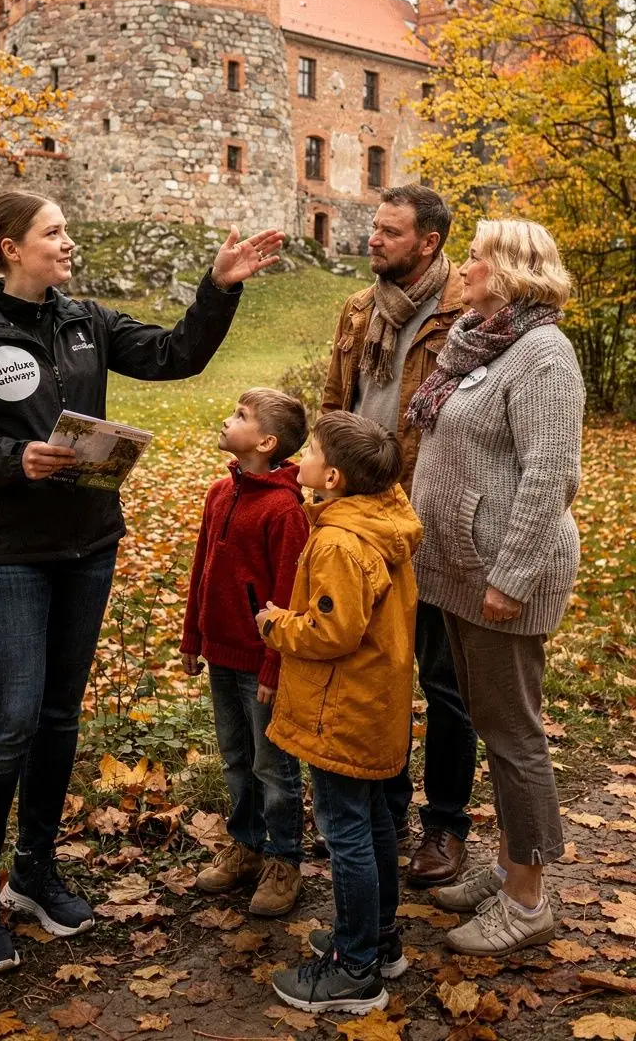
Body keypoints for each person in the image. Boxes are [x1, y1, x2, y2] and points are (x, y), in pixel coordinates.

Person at [0, 190, 283, 975]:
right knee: (9, 719)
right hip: (6, 552)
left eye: (66, 232)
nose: (67, 242)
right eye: (54, 233)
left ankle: (36, 872)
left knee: (57, 718)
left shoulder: (85, 322)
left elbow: (175, 355)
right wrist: (13, 461)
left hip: (87, 545)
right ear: (11, 249)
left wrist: (218, 287)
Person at [407, 219, 584, 956]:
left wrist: (510, 578)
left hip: (504, 577)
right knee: (491, 722)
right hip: (458, 572)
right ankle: (512, 864)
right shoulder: (486, 343)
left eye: (476, 256)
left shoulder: (544, 355)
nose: (466, 266)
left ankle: (528, 898)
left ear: (510, 269)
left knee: (514, 737)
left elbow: (550, 477)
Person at [322, 184, 477, 888]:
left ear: (429, 242)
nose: (373, 239)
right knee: (371, 676)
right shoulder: (360, 309)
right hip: (362, 524)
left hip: (435, 523)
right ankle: (381, 809)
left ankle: (444, 826)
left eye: (389, 232)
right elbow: (335, 409)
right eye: (374, 227)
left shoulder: (468, 315)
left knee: (444, 682)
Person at [257, 412, 421, 1015]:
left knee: (345, 829)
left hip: (341, 708)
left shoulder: (338, 542)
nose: (299, 455)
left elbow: (333, 631)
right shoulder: (384, 521)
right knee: (373, 819)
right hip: (375, 702)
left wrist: (278, 624)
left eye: (312, 451)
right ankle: (378, 938)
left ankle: (355, 970)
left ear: (331, 476)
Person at [180, 388, 310, 916]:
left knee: (272, 766)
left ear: (266, 441)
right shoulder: (219, 493)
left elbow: (290, 595)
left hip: (262, 665)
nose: (228, 419)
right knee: (236, 758)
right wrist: (193, 637)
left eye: (240, 416)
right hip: (221, 654)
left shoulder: (285, 510)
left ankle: (284, 859)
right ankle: (247, 846)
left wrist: (274, 665)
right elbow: (201, 571)